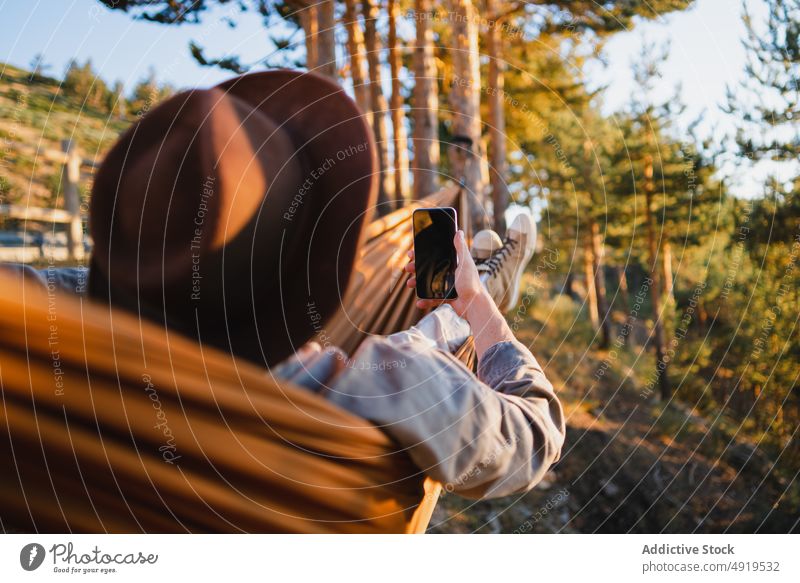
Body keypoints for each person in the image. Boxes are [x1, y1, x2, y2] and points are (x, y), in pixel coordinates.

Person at [3, 69, 564, 500]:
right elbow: (535, 433)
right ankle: (481, 291)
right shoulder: (370, 386)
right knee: (419, 334)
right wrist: (480, 308)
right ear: (310, 268)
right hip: (365, 376)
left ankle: (469, 293)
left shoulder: (51, 357)